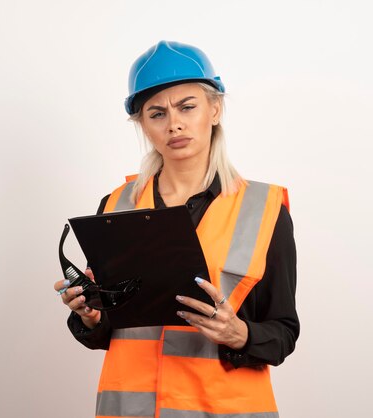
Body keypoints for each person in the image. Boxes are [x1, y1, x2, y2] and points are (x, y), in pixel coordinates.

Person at [53, 40, 299, 418]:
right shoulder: (116, 206)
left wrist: (240, 334)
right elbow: (109, 328)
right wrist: (89, 315)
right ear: (142, 125)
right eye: (157, 114)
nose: (175, 124)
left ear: (215, 109)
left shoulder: (264, 210)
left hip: (225, 409)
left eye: (187, 106)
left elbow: (283, 331)